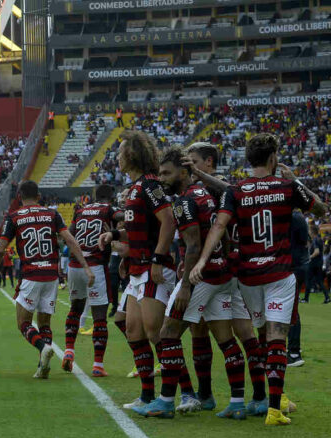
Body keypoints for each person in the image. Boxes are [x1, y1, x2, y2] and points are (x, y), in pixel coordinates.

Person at [191, 133, 329, 425]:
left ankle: (271, 398)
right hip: (278, 272)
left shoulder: (237, 190)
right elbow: (321, 209)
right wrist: (298, 182)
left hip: (248, 276)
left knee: (264, 337)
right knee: (277, 336)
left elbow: (219, 225)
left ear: (248, 159)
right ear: (273, 158)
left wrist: (202, 260)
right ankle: (274, 408)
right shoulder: (288, 186)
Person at [133, 146, 246, 420]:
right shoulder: (204, 193)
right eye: (159, 173)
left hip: (201, 278)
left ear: (183, 172)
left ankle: (165, 401)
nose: (161, 179)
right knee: (225, 339)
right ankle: (237, 402)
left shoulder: (183, 201)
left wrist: (185, 284)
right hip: (222, 274)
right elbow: (221, 235)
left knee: (168, 331)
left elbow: (194, 244)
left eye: (166, 173)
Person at [182, 142, 269, 416]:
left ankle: (256, 396)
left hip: (226, 272)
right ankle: (213, 394)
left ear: (208, 162)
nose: (190, 168)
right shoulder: (205, 192)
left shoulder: (221, 190)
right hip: (224, 270)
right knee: (204, 330)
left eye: (193, 162)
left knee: (242, 334)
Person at [98, 131, 178, 411]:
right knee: (132, 329)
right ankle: (146, 395)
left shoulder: (149, 185)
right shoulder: (135, 188)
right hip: (136, 268)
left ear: (132, 155)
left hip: (153, 268)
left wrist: (157, 258)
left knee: (158, 333)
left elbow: (168, 221)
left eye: (120, 152)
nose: (117, 157)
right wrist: (117, 238)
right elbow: (139, 226)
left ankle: (170, 399)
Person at [0, 180, 93, 379]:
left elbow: (0, 249)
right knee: (44, 324)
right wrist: (86, 267)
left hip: (31, 275)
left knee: (23, 323)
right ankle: (42, 366)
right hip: (51, 276)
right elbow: (70, 240)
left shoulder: (14, 216)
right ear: (38, 196)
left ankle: (42, 348)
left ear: (19, 197)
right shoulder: (52, 214)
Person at [63, 184, 123, 376]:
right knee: (99, 317)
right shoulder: (109, 210)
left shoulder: (80, 210)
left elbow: (68, 235)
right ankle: (98, 365)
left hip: (75, 265)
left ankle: (69, 351)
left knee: (75, 308)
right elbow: (126, 218)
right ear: (111, 197)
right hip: (96, 265)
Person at [289, 210, 309, 367]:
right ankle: (294, 350)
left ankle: (294, 353)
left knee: (291, 311)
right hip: (300, 264)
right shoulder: (300, 216)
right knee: (292, 309)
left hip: (294, 265)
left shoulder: (293, 216)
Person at [302, 224, 330, 304]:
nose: (309, 232)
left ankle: (306, 299)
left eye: (309, 231)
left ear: (312, 232)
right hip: (319, 263)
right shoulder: (320, 239)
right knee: (319, 281)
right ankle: (327, 297)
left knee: (308, 280)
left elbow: (317, 252)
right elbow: (322, 250)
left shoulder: (315, 240)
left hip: (313, 264)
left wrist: (309, 257)